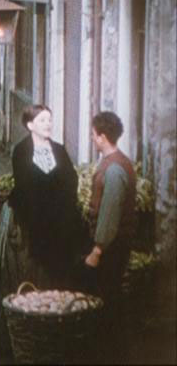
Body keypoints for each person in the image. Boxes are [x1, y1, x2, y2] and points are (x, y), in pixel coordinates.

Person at [0, 104, 86, 355]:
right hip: (28, 223)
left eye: (49, 120)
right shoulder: (21, 151)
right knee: (27, 276)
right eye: (42, 121)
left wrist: (61, 212)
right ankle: (23, 332)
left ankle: (56, 331)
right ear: (30, 125)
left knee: (58, 279)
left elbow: (70, 182)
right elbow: (27, 187)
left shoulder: (59, 151)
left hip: (59, 225)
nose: (48, 125)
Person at [83, 112, 137, 304]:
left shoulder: (114, 169)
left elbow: (110, 213)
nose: (91, 138)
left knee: (105, 299)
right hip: (112, 246)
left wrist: (97, 250)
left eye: (93, 134)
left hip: (112, 249)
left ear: (102, 138)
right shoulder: (117, 161)